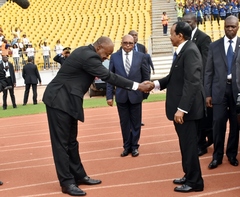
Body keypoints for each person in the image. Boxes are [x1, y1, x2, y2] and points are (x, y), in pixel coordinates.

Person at [42, 36, 153, 196]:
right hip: (59, 100)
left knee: (72, 142)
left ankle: (79, 175)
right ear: (99, 47)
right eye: (106, 54)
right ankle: (66, 182)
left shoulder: (85, 52)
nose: (106, 58)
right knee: (61, 144)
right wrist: (137, 86)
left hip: (69, 100)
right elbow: (109, 76)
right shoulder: (89, 56)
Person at [152, 22, 205, 192]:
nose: (170, 36)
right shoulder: (184, 50)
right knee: (185, 145)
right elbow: (174, 76)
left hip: (187, 111)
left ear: (180, 36)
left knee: (189, 146)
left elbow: (192, 82)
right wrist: (155, 85)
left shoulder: (189, 51)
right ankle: (189, 175)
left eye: (172, 33)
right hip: (184, 109)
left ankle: (194, 182)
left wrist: (182, 109)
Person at [205, 15, 240, 169]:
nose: (230, 29)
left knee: (235, 125)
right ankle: (217, 156)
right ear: (223, 26)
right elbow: (208, 72)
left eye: (233, 26)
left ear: (237, 27)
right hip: (219, 90)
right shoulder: (214, 46)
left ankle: (232, 154)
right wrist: (208, 94)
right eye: (227, 26)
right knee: (218, 124)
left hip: (237, 91)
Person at [106, 35, 150, 157]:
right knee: (124, 123)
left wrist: (145, 93)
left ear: (134, 44)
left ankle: (135, 146)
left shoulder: (141, 57)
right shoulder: (114, 57)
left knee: (136, 123)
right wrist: (109, 95)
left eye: (130, 43)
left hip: (136, 95)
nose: (128, 45)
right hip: (121, 96)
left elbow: (145, 77)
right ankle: (126, 146)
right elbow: (110, 77)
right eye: (125, 43)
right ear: (121, 43)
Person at [183, 13, 212, 157]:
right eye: (184, 22)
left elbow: (206, 63)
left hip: (200, 83)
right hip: (190, 83)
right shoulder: (185, 39)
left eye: (189, 22)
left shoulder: (203, 38)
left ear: (195, 21)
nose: (187, 24)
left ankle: (202, 144)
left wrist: (202, 83)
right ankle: (201, 140)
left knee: (200, 116)